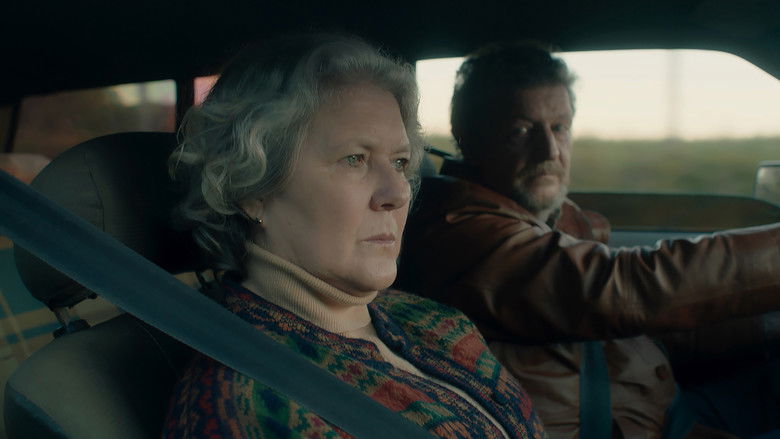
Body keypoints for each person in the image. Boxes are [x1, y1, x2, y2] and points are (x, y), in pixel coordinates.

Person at [162, 34, 545, 438]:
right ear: (252, 188)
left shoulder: (438, 323)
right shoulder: (253, 405)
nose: (398, 192)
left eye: (399, 162)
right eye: (354, 159)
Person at [398, 41, 780, 439]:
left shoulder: (550, 219)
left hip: (668, 412)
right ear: (468, 139)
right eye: (521, 131)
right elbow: (620, 289)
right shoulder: (459, 231)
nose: (549, 151)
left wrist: (766, 328)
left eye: (560, 128)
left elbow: (642, 334)